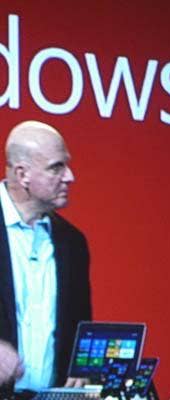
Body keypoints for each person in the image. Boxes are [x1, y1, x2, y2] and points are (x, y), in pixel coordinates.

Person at [0, 121, 91, 392]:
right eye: (56, 167)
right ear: (23, 174)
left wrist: (81, 369)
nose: (69, 177)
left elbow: (79, 326)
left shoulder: (72, 242)